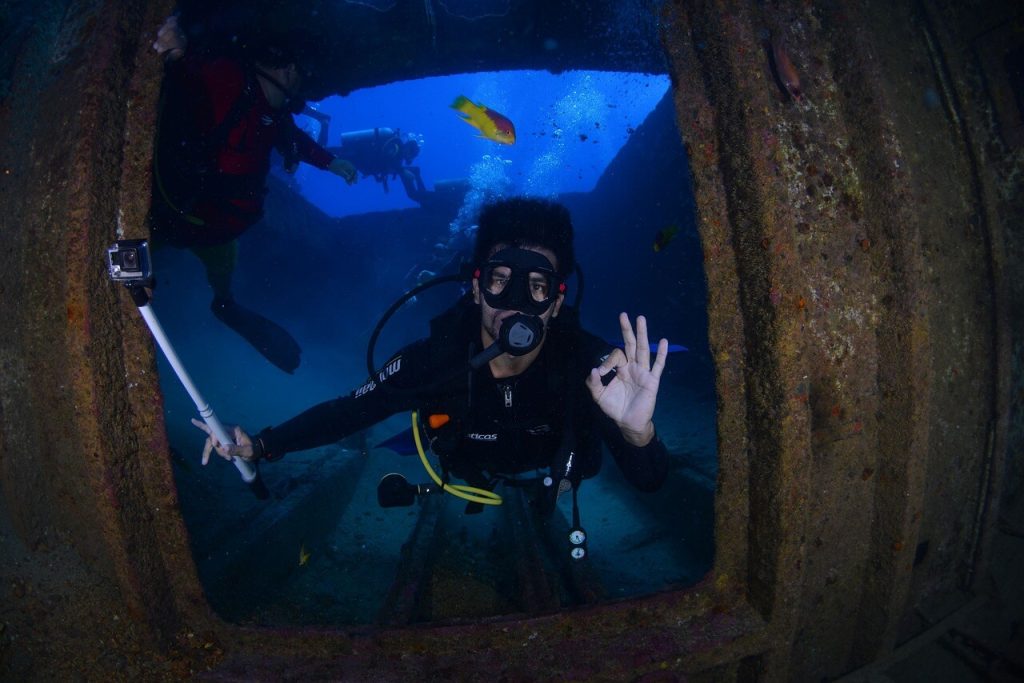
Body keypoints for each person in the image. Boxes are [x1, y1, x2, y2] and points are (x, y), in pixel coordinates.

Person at [195, 198, 670, 518]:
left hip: (557, 471)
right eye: (502, 280)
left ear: (557, 302)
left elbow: (650, 482)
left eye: (539, 286)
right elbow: (350, 411)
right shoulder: (436, 359)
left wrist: (636, 432)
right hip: (469, 469)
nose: (518, 303)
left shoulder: (594, 367)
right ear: (477, 287)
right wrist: (261, 444)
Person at [150, 16, 358, 374]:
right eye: (302, 74)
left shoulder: (272, 114)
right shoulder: (231, 78)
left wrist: (331, 162)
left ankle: (224, 303)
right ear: (290, 70)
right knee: (147, 270)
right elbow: (189, 75)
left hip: (216, 232)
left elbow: (295, 140)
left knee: (222, 277)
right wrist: (177, 50)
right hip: (174, 215)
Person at [328, 128, 428, 203]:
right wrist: (402, 171)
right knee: (329, 152)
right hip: (358, 153)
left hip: (361, 161)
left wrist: (414, 174)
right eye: (411, 154)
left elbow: (389, 166)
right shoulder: (396, 145)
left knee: (330, 154)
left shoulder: (398, 159)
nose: (409, 158)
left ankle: (324, 128)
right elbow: (386, 155)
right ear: (408, 148)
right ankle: (325, 123)